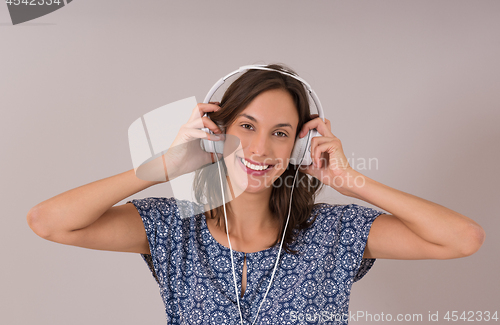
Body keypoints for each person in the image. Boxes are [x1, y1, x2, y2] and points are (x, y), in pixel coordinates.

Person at [27, 64, 485, 325]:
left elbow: (463, 237)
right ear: (216, 133)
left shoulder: (333, 234)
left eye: (281, 133)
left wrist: (351, 182)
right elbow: (48, 221)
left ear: (299, 146)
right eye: (246, 126)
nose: (260, 149)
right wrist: (161, 167)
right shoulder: (173, 228)